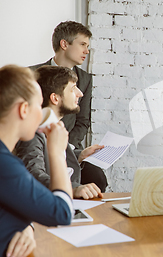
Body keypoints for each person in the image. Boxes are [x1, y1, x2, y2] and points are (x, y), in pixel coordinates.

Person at [0, 65, 74, 257]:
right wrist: (57, 153)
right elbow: (62, 212)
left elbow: (14, 202)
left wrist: (28, 226)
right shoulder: (4, 164)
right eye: (38, 105)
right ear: (23, 109)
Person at [30, 21, 107, 191]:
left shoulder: (85, 79)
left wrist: (71, 150)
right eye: (82, 45)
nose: (87, 51)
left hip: (69, 146)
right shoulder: (31, 75)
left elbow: (82, 120)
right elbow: (35, 172)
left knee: (97, 178)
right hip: (44, 145)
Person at [16, 66, 104, 200]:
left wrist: (80, 155)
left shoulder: (53, 127)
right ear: (55, 98)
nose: (80, 93)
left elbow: (46, 155)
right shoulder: (33, 133)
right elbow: (33, 174)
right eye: (73, 88)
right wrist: (72, 188)